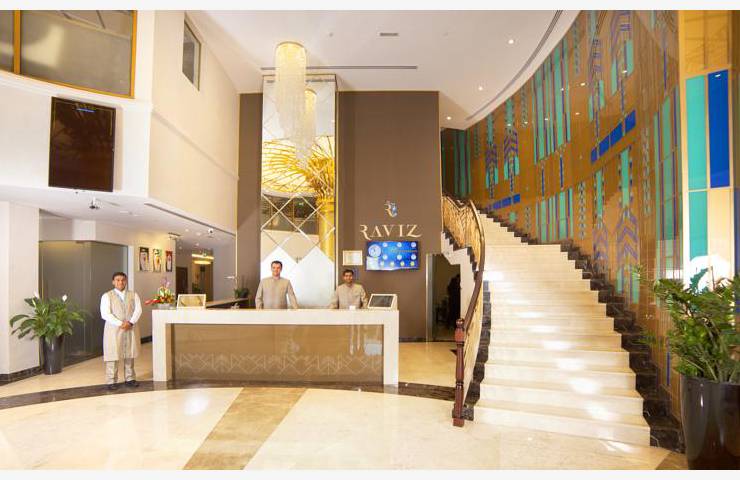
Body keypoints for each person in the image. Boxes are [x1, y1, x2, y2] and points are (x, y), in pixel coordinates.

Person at [100, 272, 142, 390]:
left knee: (129, 353)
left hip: (130, 327)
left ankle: (130, 379)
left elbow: (138, 310)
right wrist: (121, 323)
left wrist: (131, 322)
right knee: (112, 354)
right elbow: (105, 313)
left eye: (123, 280)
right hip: (114, 329)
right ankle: (111, 381)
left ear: (126, 281)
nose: (120, 282)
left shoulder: (133, 295)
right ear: (113, 282)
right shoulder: (107, 296)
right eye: (117, 280)